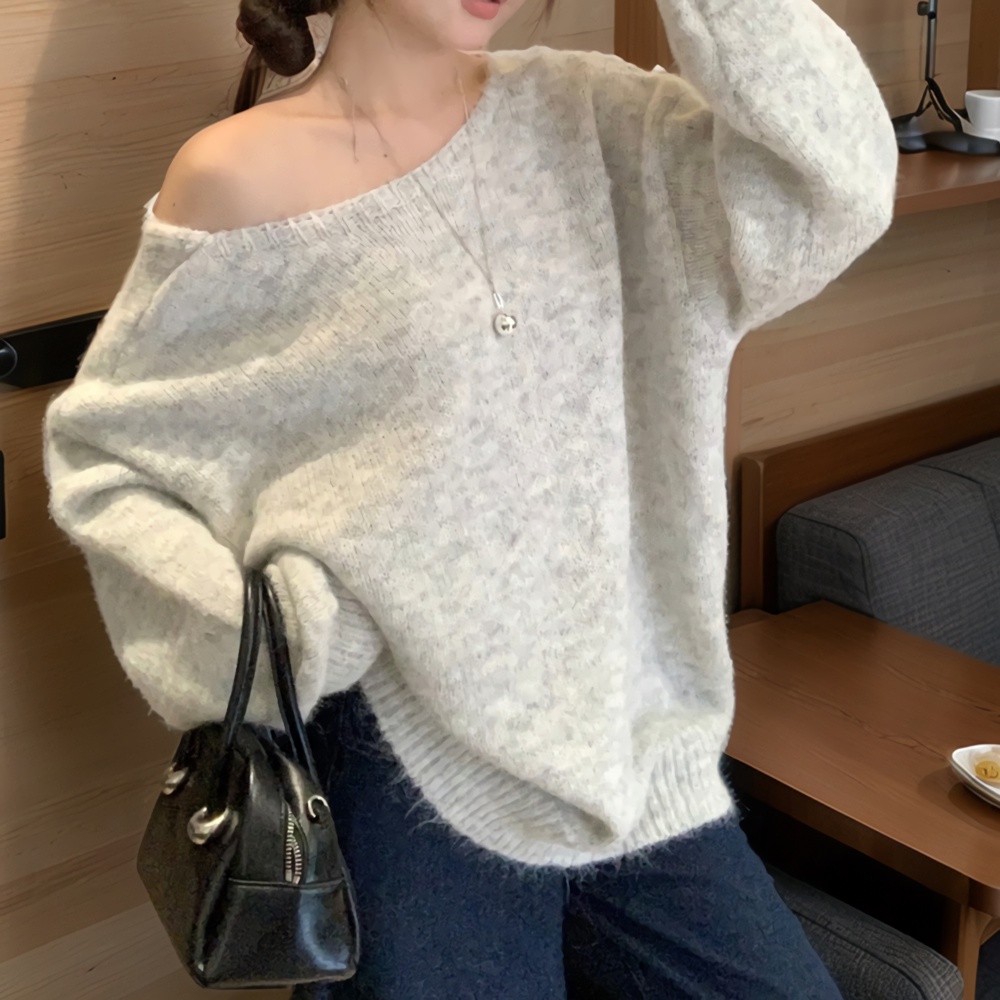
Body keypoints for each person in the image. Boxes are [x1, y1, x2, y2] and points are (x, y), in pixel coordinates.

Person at [42, 0, 898, 996]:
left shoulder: (606, 119)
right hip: (405, 785)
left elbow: (833, 186)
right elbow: (111, 460)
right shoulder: (238, 177)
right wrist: (277, 635)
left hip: (634, 756)